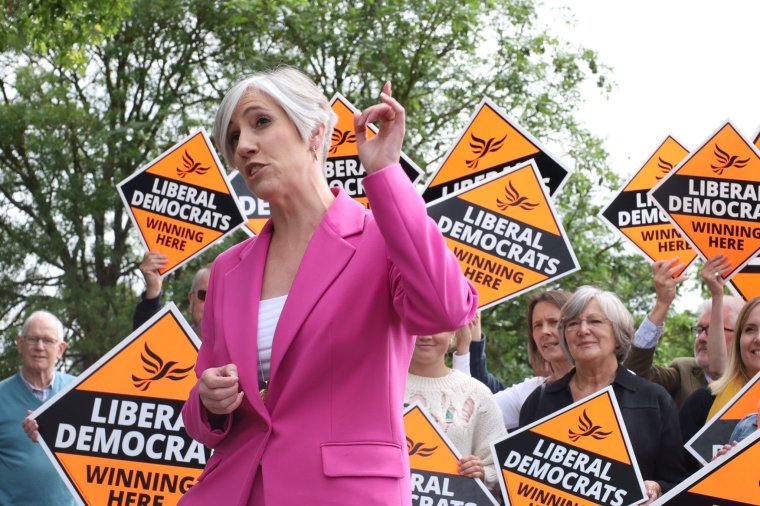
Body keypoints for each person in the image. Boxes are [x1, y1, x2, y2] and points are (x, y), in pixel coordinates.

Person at [179, 67, 477, 505]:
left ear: (315, 133)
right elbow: (202, 412)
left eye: (260, 122)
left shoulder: (382, 238)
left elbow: (446, 309)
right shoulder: (227, 269)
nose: (244, 146)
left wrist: (386, 174)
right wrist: (209, 401)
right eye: (233, 137)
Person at [519, 286, 687, 504]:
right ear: (565, 338)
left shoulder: (654, 399)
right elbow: (520, 484)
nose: (583, 330)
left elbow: (678, 483)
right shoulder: (540, 400)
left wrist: (657, 488)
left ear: (618, 335)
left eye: (595, 321)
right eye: (572, 324)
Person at [623, 256, 744, 406]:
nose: (702, 338)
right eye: (699, 330)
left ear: (741, 335)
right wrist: (662, 303)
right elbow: (633, 373)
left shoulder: (753, 376)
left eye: (712, 330)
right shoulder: (684, 371)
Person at [453, 290, 573, 429]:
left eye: (554, 322)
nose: (544, 331)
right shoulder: (532, 392)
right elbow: (467, 417)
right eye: (538, 325)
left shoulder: (602, 386)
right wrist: (463, 346)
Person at [406, 329, 507, 491]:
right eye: (416, 326)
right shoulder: (379, 388)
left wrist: (481, 473)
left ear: (453, 332)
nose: (425, 336)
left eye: (435, 326)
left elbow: (502, 466)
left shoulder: (478, 394)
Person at [0, 311, 76, 506]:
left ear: (61, 349)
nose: (39, 347)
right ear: (20, 344)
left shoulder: (79, 392)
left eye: (48, 340)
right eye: (33, 339)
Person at [679, 295, 760, 447]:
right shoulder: (702, 402)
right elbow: (679, 469)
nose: (758, 338)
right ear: (739, 340)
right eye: (750, 329)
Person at [132, 250, 210, 338]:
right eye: (205, 296)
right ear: (191, 300)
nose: (212, 306)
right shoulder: (168, 343)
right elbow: (146, 339)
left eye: (222, 300)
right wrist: (153, 293)